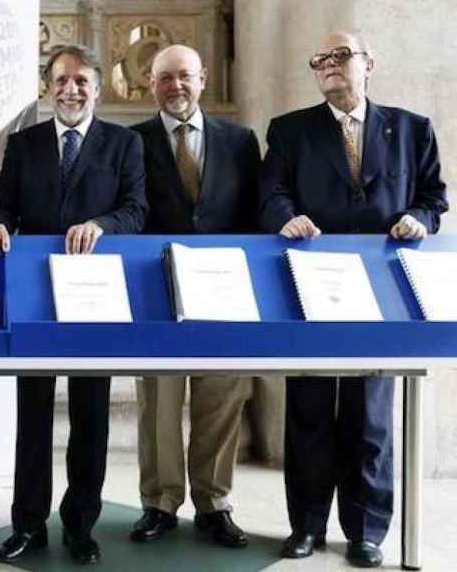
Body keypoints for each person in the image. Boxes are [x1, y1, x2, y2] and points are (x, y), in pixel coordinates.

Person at [259, 31, 447, 569]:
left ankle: (366, 531)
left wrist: (422, 219)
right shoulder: (291, 130)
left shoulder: (412, 128)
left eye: (342, 56)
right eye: (321, 59)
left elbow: (434, 195)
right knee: (310, 409)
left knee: (372, 419)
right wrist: (283, 217)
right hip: (310, 283)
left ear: (370, 65)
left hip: (384, 290)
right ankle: (306, 526)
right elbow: (271, 192)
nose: (330, 65)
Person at [0, 44, 147, 565]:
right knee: (32, 416)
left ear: (97, 88)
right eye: (61, 80)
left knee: (90, 415)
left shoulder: (124, 143)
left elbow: (136, 209)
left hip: (95, 296)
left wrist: (100, 225)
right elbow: (5, 204)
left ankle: (81, 526)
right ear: (47, 87)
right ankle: (28, 525)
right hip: (35, 294)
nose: (71, 90)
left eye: (81, 82)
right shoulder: (24, 144)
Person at [128, 44, 260, 549]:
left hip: (226, 289)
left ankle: (214, 502)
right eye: (164, 78)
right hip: (156, 288)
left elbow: (255, 209)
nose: (175, 86)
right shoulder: (130, 142)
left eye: (184, 76)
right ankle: (159, 502)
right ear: (150, 84)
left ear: (203, 78)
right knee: (159, 401)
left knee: (223, 396)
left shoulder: (241, 141)